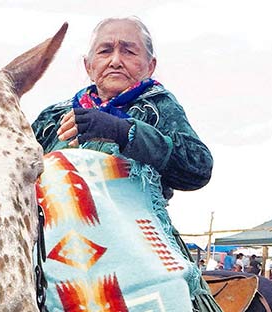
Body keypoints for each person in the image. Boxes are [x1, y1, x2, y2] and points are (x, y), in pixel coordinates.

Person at [32, 16, 220, 311]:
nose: (116, 60)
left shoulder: (158, 106)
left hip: (142, 257)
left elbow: (197, 168)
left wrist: (121, 130)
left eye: (129, 51)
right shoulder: (53, 118)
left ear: (150, 65)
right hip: (58, 264)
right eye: (105, 51)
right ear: (88, 65)